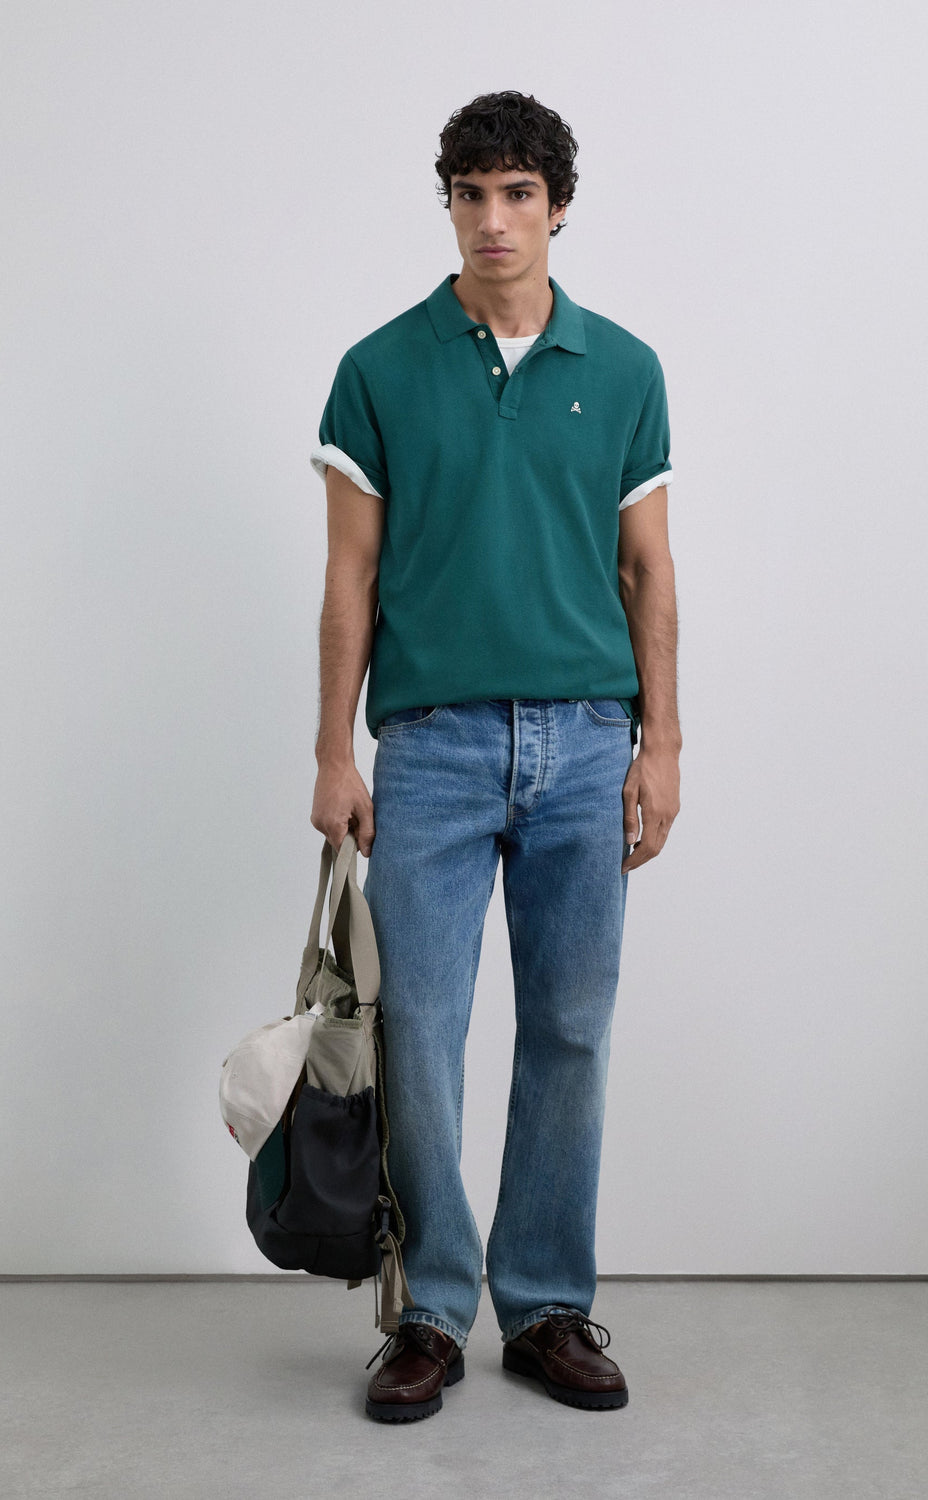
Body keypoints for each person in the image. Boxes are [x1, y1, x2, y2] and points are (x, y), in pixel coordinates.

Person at [309, 90, 681, 1422]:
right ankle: (428, 1311)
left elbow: (648, 573)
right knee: (421, 1032)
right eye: (470, 193)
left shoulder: (625, 369)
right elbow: (350, 579)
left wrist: (662, 744)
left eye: (518, 193)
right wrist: (333, 751)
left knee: (570, 1027)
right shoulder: (380, 368)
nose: (493, 219)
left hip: (587, 742)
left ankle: (546, 1306)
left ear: (558, 206)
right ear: (450, 205)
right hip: (433, 747)